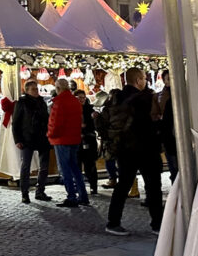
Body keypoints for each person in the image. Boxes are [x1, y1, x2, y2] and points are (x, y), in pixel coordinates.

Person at [104, 68, 163, 235]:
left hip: (124, 149)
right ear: (138, 80)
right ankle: (157, 224)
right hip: (145, 148)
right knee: (153, 187)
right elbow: (150, 124)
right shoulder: (145, 98)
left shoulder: (116, 98)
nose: (145, 81)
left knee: (123, 185)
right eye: (144, 78)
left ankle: (113, 222)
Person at [47, 79, 88, 208]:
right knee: (75, 168)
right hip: (74, 139)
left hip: (61, 139)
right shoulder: (75, 101)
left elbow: (55, 124)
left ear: (58, 88)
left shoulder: (59, 103)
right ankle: (83, 195)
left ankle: (71, 196)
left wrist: (49, 135)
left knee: (65, 170)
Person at [12, 79, 52, 203]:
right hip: (27, 138)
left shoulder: (42, 102)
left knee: (44, 167)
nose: (36, 91)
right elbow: (16, 122)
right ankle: (25, 193)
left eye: (37, 88)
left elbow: (47, 119)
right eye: (33, 89)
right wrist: (17, 139)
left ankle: (40, 191)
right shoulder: (22, 103)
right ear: (27, 90)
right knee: (26, 166)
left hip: (42, 138)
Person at [152, 69, 177, 182]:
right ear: (165, 81)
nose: (172, 81)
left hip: (177, 134)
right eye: (168, 79)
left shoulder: (184, 93)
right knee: (174, 167)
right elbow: (154, 115)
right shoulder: (159, 97)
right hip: (168, 135)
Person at [75, 89, 100, 195]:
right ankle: (79, 187)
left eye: (83, 97)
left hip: (89, 140)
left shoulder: (90, 109)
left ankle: (93, 186)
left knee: (90, 165)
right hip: (76, 141)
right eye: (79, 98)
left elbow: (95, 125)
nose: (82, 99)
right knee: (77, 166)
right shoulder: (72, 110)